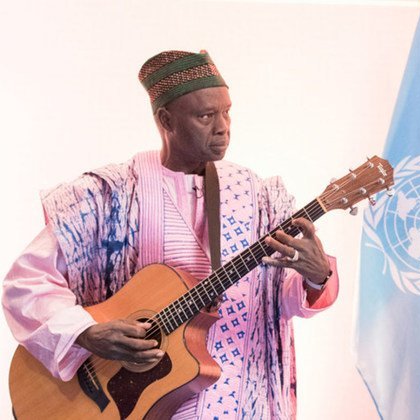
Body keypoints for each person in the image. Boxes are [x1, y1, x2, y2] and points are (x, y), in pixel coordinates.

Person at [2, 50, 339, 419]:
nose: (223, 126)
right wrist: (85, 333)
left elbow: (275, 301)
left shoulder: (258, 198)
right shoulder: (108, 196)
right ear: (167, 120)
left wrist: (316, 275)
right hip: (126, 403)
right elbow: (26, 284)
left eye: (227, 112)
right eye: (206, 116)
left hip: (236, 400)